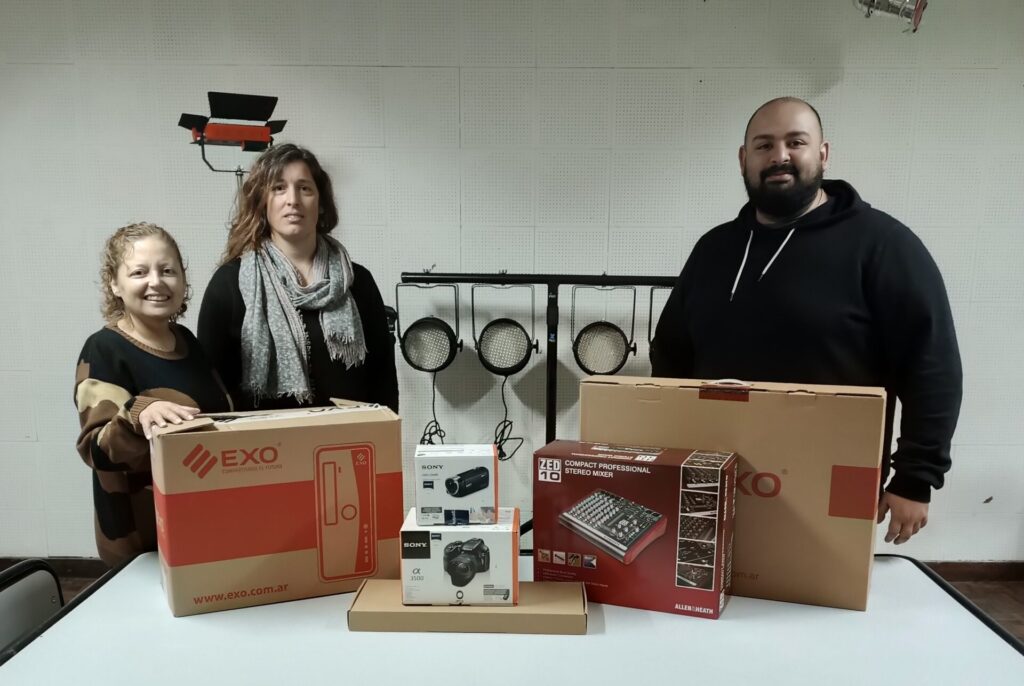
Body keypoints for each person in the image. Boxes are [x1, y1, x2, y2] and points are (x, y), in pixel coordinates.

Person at [651, 97, 962, 545]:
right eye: (764, 145)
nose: (779, 156)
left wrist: (916, 477)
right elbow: (671, 355)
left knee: (820, 591)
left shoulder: (883, 245)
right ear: (743, 159)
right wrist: (664, 453)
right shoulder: (714, 249)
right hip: (714, 475)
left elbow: (932, 364)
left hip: (833, 479)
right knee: (706, 583)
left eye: (795, 142)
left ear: (823, 153)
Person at [74, 223, 232, 566]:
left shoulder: (188, 342)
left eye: (168, 271)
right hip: (143, 543)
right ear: (115, 284)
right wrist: (137, 411)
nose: (156, 282)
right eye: (139, 272)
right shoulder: (104, 349)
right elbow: (95, 448)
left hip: (200, 525)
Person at [198, 144, 398, 413]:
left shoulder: (358, 281)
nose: (293, 200)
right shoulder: (229, 284)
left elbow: (383, 379)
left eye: (304, 188)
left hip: (350, 436)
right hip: (264, 438)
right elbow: (212, 388)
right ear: (262, 203)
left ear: (321, 204)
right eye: (279, 188)